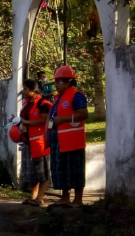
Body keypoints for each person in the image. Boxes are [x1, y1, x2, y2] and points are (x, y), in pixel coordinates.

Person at [48, 65, 88, 208]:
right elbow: (52, 119)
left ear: (68, 82)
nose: (56, 85)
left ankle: (78, 200)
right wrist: (48, 134)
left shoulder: (77, 96)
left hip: (72, 141)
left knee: (75, 169)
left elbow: (83, 114)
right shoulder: (58, 99)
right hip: (58, 141)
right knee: (61, 169)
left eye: (59, 82)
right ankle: (65, 197)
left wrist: (65, 119)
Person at [18, 79, 53, 207]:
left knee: (42, 171)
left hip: (40, 142)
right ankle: (33, 196)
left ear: (33, 90)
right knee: (32, 172)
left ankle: (40, 198)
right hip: (28, 142)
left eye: (26, 89)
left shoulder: (43, 104)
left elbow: (43, 120)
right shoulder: (27, 104)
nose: (24, 91)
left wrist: (26, 123)